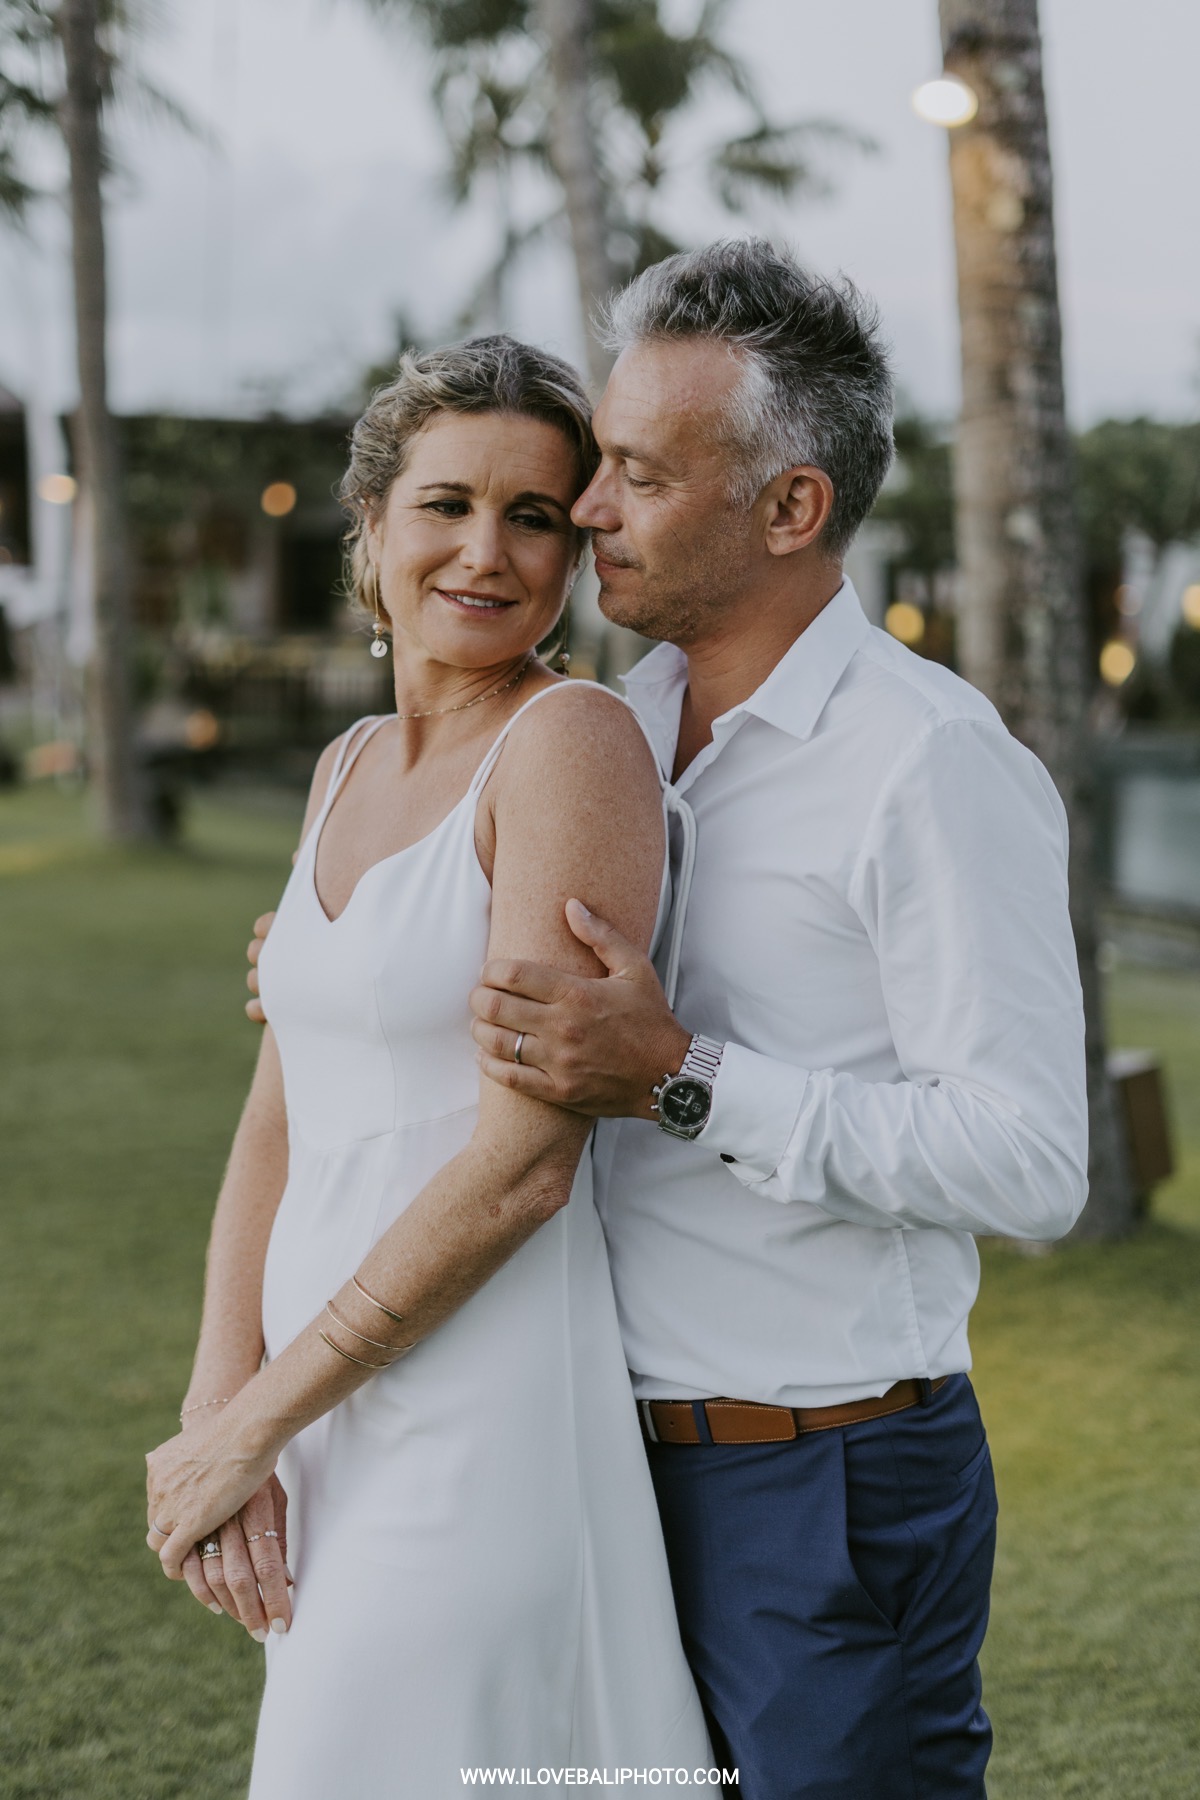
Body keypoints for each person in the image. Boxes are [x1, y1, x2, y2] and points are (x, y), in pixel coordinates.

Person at [457, 242, 1089, 1797]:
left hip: (823, 1477)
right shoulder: (603, 732)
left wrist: (684, 1077)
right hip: (590, 1457)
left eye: (639, 474)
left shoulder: (928, 763)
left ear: (791, 507)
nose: (587, 508)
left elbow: (1029, 1162)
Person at [145, 336, 712, 1796]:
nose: (487, 552)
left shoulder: (570, 744)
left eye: (534, 515)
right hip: (316, 1406)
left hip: (477, 1406)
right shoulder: (344, 766)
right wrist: (222, 1412)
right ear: (372, 524)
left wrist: (258, 1421)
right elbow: (277, 1118)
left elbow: (525, 1169)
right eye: (447, 504)